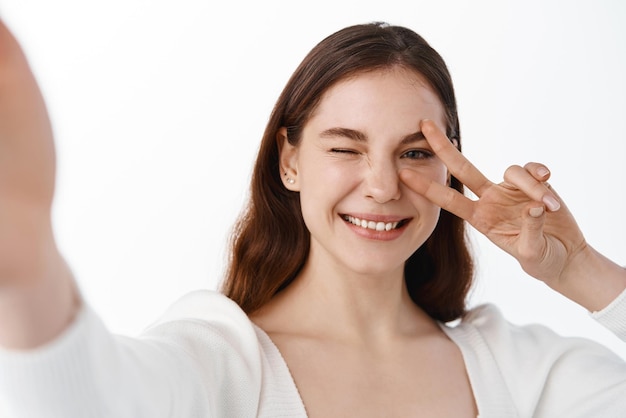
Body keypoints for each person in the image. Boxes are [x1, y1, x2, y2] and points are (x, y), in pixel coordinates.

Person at [0, 19, 625, 418]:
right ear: (289, 160)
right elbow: (83, 402)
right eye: (346, 147)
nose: (381, 186)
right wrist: (26, 266)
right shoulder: (221, 363)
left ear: (449, 171)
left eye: (413, 153)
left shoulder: (521, 371)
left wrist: (581, 272)